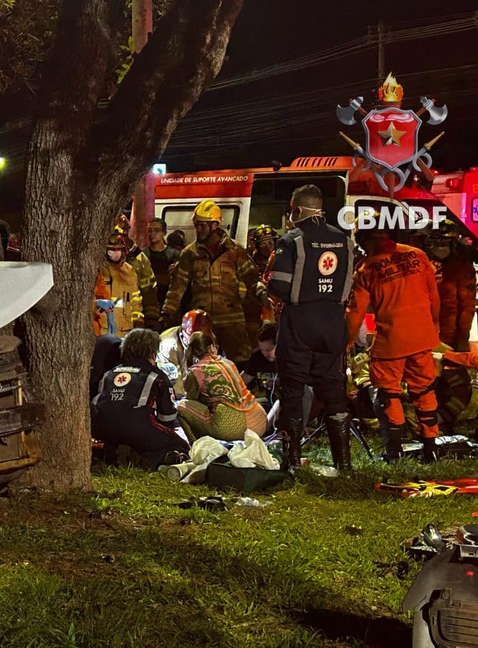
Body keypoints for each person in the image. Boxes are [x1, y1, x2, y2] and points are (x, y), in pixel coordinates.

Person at [266, 184, 355, 470]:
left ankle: (291, 461)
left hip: (300, 323)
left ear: (298, 209)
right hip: (333, 322)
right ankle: (344, 463)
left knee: (292, 389)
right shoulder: (344, 240)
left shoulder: (292, 240)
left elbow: (278, 284)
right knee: (333, 390)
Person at [345, 215, 441, 462]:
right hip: (422, 337)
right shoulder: (417, 255)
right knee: (424, 391)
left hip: (391, 343)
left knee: (388, 394)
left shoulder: (366, 269)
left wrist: (345, 342)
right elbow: (433, 297)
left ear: (363, 237)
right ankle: (431, 448)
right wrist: (434, 328)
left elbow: (355, 314)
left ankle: (394, 451)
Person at [161, 199, 267, 363]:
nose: (198, 229)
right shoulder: (190, 254)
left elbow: (252, 281)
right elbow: (177, 287)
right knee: (202, 363)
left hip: (232, 323)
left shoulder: (235, 251)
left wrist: (257, 314)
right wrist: (167, 313)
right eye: (196, 225)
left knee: (239, 362)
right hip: (202, 322)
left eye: (202, 225)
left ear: (215, 225)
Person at [91, 328, 189, 467]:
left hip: (103, 429)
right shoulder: (156, 376)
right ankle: (141, 460)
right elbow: (167, 417)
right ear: (152, 352)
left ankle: (113, 454)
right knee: (180, 445)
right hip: (138, 427)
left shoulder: (110, 373)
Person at [417, 219, 478, 351]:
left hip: (454, 316)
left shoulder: (465, 257)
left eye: (443, 240)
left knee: (467, 335)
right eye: (437, 240)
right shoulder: (427, 260)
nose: (440, 244)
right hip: (432, 321)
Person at [176, 331, 267, 442]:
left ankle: (196, 448)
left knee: (181, 406)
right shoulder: (229, 362)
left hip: (232, 427)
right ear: (211, 347)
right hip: (259, 422)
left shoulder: (195, 371)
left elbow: (191, 400)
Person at [93, 233, 142, 338]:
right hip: (103, 328)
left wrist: (138, 321)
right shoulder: (98, 270)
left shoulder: (129, 270)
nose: (115, 253)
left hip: (126, 329)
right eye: (112, 250)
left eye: (118, 250)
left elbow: (136, 300)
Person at [157, 308, 214, 397]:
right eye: (195, 338)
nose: (200, 341)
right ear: (183, 334)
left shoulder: (209, 338)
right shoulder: (167, 346)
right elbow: (173, 382)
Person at [116, 214, 159, 329]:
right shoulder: (102, 258)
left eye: (124, 230)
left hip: (135, 321)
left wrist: (151, 319)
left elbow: (149, 291)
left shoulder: (139, 258)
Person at [139, 217, 180, 311]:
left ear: (164, 233)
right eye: (149, 230)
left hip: (168, 302)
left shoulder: (173, 255)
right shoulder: (143, 255)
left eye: (156, 230)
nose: (152, 233)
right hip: (148, 303)